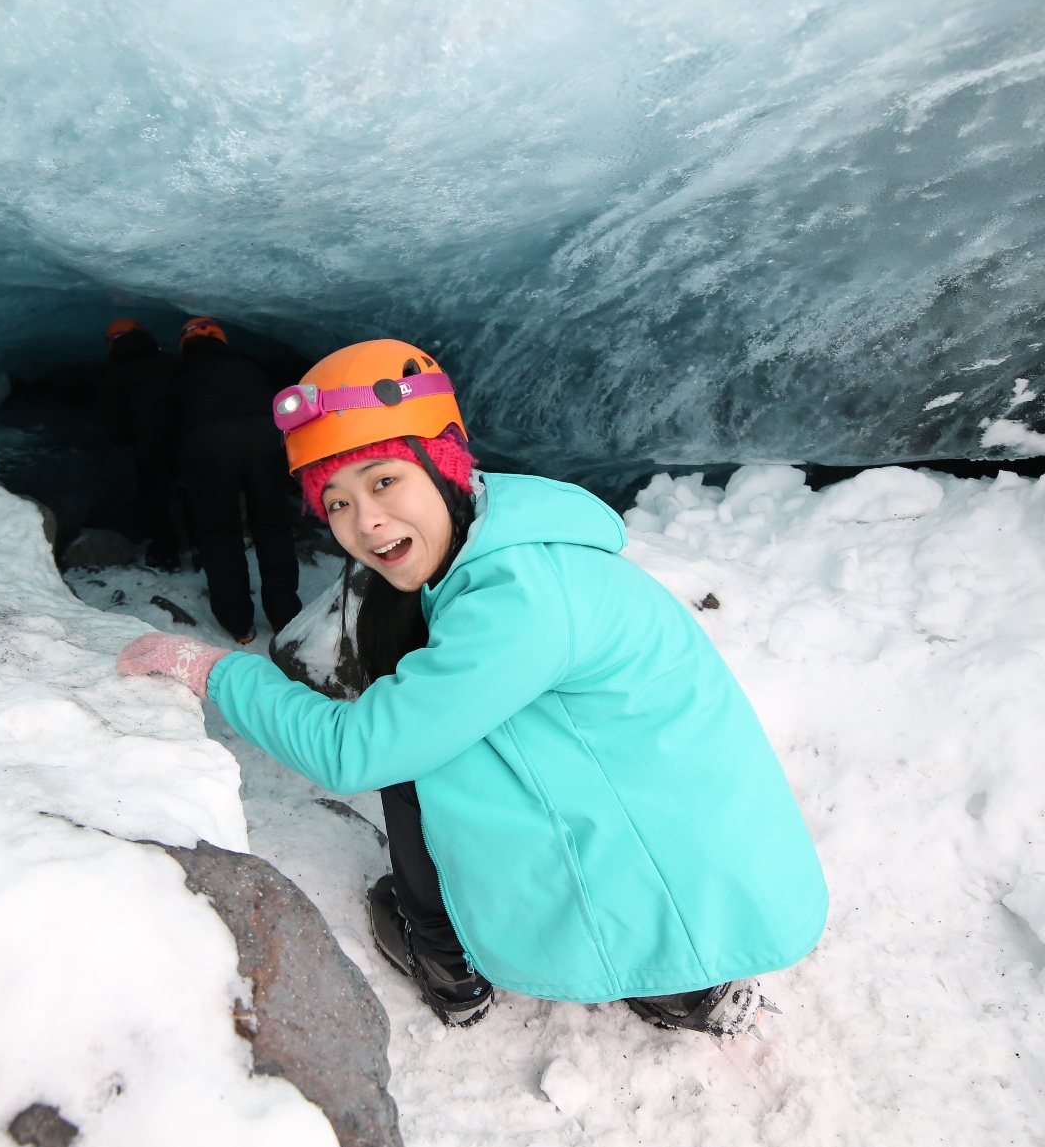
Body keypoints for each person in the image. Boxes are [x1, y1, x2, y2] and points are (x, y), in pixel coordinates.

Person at [116, 339, 827, 1031]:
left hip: (682, 876)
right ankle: (682, 975)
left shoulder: (522, 599)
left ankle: (449, 961)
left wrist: (211, 667)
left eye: (384, 480)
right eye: (334, 502)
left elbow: (356, 750)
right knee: (420, 719)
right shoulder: (502, 543)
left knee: (403, 749)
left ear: (444, 462)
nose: (364, 521)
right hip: (681, 844)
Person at [170, 316, 301, 643]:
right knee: (273, 527)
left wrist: (177, 469)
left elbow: (166, 425)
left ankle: (238, 623)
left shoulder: (180, 375)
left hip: (207, 444)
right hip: (263, 436)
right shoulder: (247, 364)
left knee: (219, 535)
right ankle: (286, 616)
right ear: (220, 339)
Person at [97, 318, 181, 570]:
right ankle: (201, 548)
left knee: (155, 497)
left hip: (149, 444)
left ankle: (166, 554)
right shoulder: (171, 362)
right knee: (192, 492)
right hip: (187, 439)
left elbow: (114, 420)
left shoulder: (114, 374)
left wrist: (127, 438)